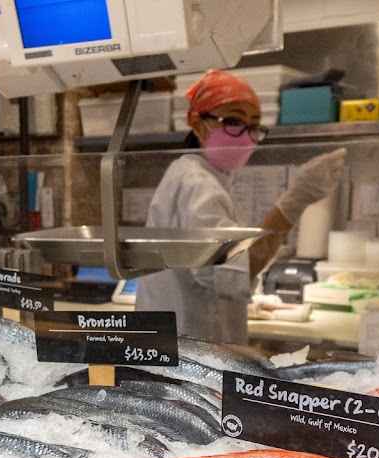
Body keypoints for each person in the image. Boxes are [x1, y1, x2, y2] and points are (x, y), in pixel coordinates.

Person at [136, 70, 345, 344]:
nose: (245, 136)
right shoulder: (196, 183)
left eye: (254, 126)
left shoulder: (202, 176)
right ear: (197, 123)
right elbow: (236, 271)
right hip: (192, 350)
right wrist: (295, 201)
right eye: (233, 121)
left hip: (187, 344)